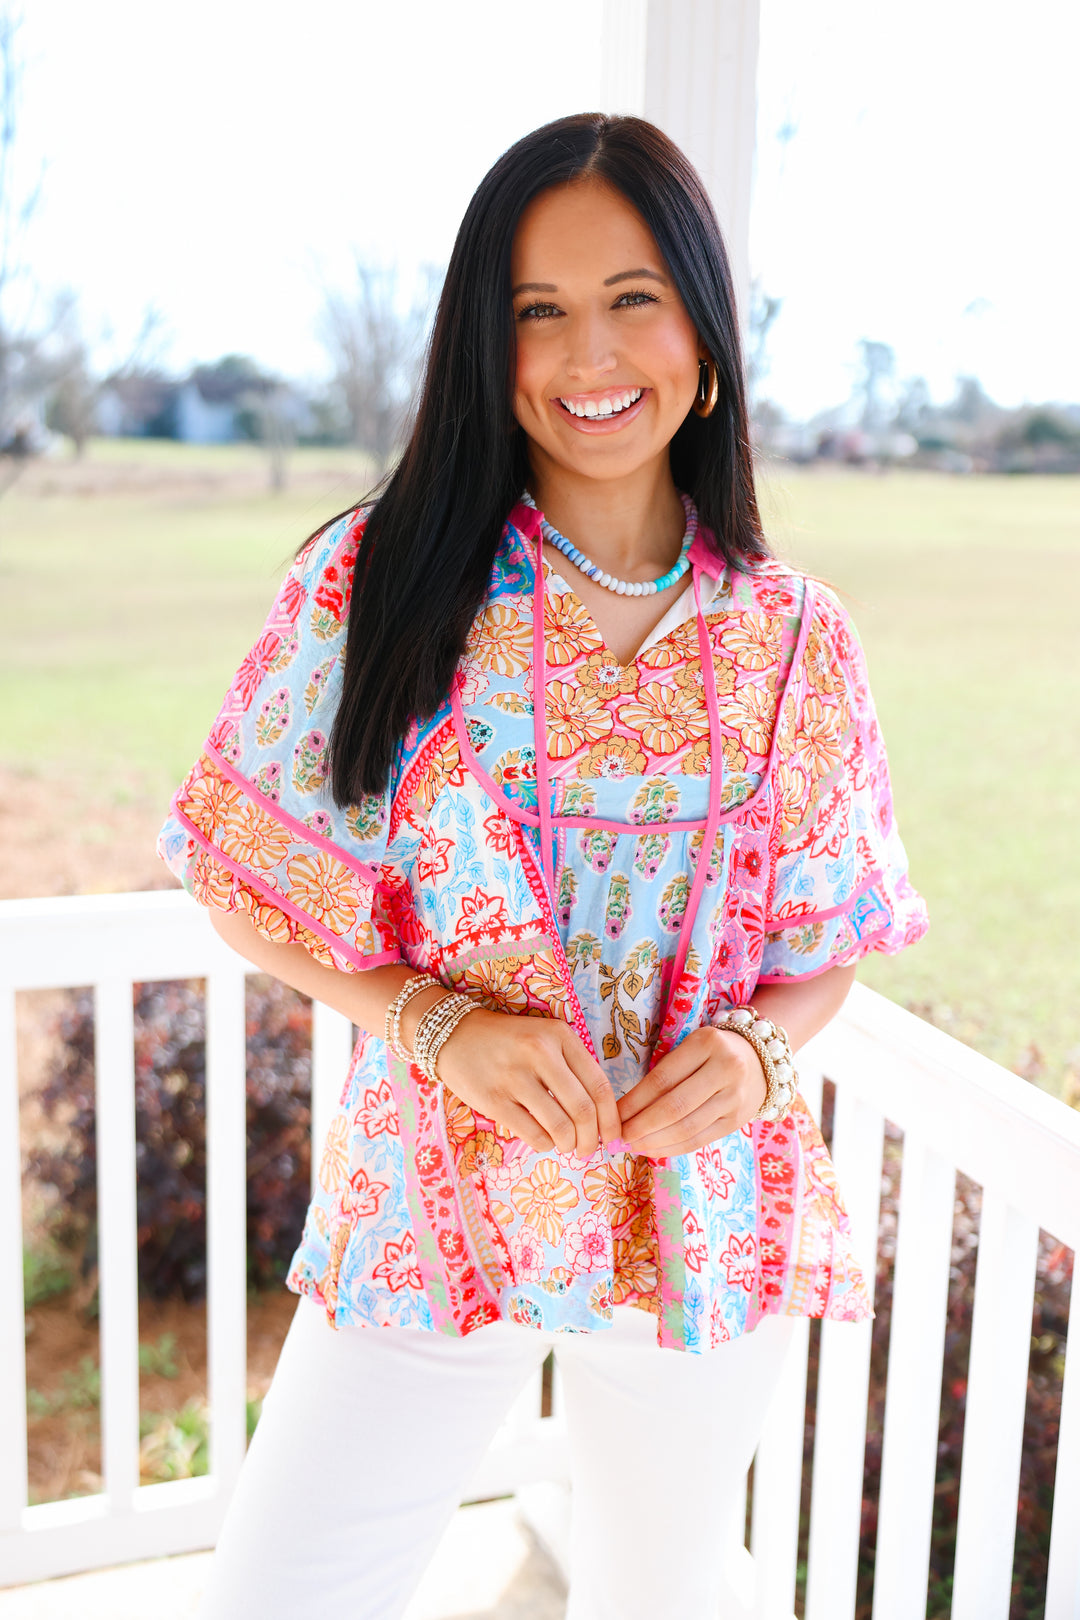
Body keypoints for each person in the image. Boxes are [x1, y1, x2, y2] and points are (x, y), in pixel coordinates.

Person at [158, 113, 927, 1620]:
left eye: (633, 297)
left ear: (705, 329)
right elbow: (238, 867)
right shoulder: (378, 585)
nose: (592, 353)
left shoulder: (791, 635)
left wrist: (763, 1052)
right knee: (280, 1592)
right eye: (540, 309)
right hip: (435, 1194)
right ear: (486, 347)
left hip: (699, 1212)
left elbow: (828, 931)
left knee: (664, 1594)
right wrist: (436, 1022)